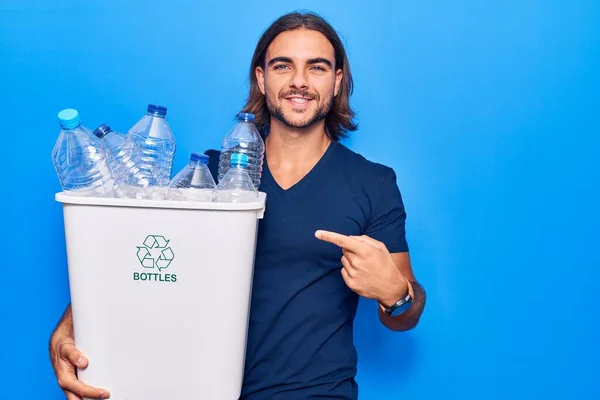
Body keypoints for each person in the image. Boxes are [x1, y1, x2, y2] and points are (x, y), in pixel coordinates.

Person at [49, 11, 426, 400]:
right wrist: (69, 326)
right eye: (283, 66)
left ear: (336, 81)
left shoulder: (373, 183)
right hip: (197, 389)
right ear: (262, 79)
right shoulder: (209, 172)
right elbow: (140, 259)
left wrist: (396, 294)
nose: (299, 81)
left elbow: (405, 312)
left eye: (317, 67)